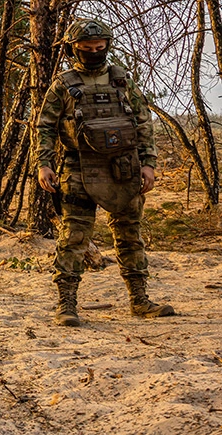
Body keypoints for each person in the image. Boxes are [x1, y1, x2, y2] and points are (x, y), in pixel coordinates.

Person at [36, 17, 174, 327]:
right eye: (86, 49)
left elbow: (142, 122)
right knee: (73, 237)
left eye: (99, 48)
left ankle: (140, 300)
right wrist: (44, 164)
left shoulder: (122, 80)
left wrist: (148, 163)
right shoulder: (64, 85)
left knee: (129, 235)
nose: (94, 53)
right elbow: (44, 126)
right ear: (74, 50)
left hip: (124, 168)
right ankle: (66, 304)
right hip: (79, 167)